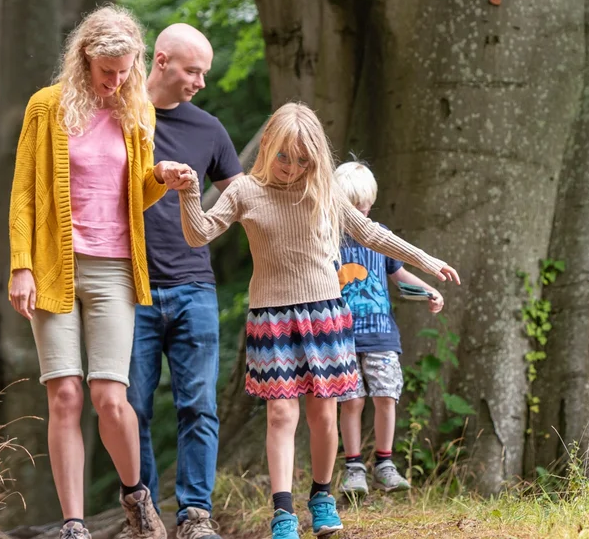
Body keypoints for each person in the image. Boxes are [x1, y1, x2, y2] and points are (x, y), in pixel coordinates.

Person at [162, 102, 460, 538]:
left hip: (326, 314)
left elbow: (371, 233)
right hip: (271, 318)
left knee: (323, 413)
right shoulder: (245, 190)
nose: (291, 167)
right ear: (268, 146)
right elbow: (198, 234)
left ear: (315, 159)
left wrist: (426, 260)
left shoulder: (323, 191)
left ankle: (321, 496)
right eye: (284, 156)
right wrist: (189, 192)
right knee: (281, 413)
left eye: (303, 160)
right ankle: (283, 512)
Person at [7, 4, 175, 539]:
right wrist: (22, 266)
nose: (117, 81)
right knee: (66, 396)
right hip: (55, 268)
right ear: (84, 60)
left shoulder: (137, 110)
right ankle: (75, 523)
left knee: (109, 397)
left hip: (115, 271)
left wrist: (162, 177)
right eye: (108, 72)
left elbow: (137, 195)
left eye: (126, 71)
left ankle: (135, 497)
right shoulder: (47, 107)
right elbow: (24, 196)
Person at [126, 23, 242, 539]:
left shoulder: (209, 130)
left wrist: (208, 217)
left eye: (204, 73)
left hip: (194, 286)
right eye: (193, 71)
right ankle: (145, 517)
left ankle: (196, 516)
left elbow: (243, 199)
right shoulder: (121, 119)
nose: (199, 81)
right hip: (129, 287)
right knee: (132, 408)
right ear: (162, 60)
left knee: (199, 405)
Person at [332, 161, 444, 497]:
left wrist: (428, 289)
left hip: (381, 333)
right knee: (351, 401)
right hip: (341, 336)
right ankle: (353, 467)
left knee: (386, 396)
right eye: (353, 205)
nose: (360, 212)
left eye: (365, 205)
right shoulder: (329, 239)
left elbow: (398, 275)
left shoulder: (379, 236)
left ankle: (385, 462)